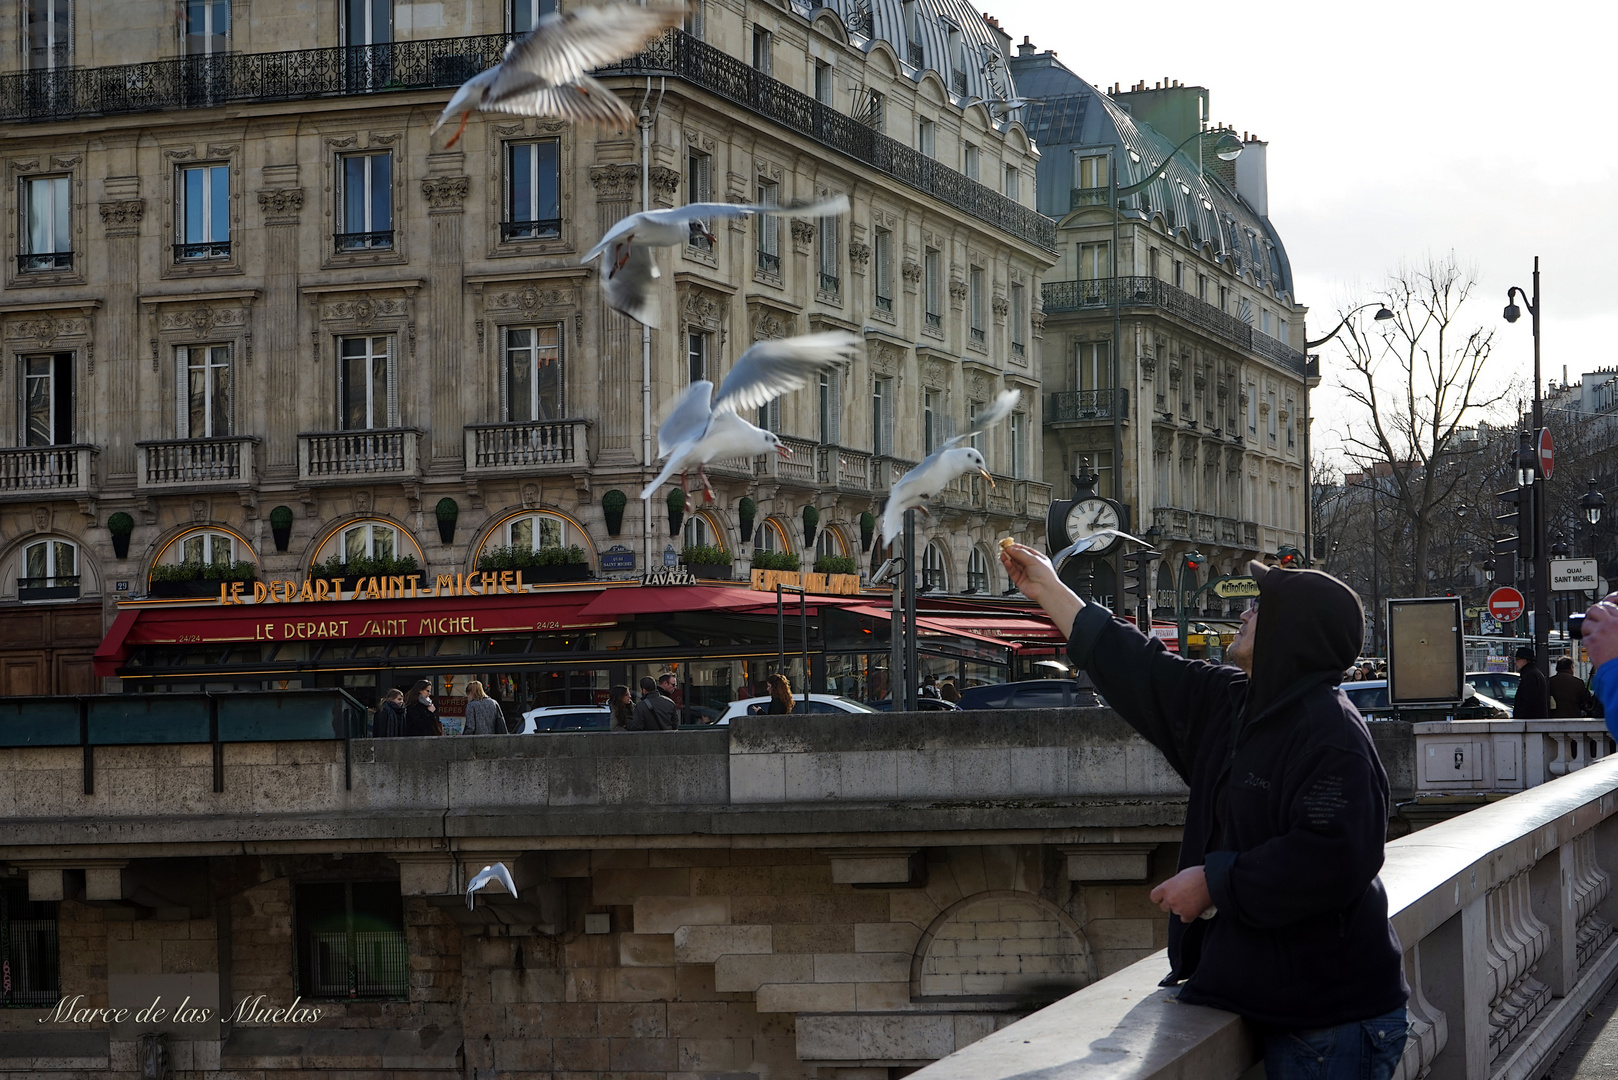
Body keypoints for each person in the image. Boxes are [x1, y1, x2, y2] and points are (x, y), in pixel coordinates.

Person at [999, 542, 1408, 1080]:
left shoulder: (1331, 736)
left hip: (1332, 1022)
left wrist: (1215, 882)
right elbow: (1139, 667)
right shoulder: (1236, 702)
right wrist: (1048, 586)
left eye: (1259, 607)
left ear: (1293, 634)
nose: (1244, 613)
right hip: (1291, 1004)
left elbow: (1333, 858)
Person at [1513, 647, 1551, 720]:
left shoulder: (1530, 676)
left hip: (1531, 721)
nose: (1515, 662)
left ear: (1524, 661)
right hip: (1535, 719)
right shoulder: (1533, 673)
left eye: (1517, 659)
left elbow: (1529, 700)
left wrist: (1520, 715)